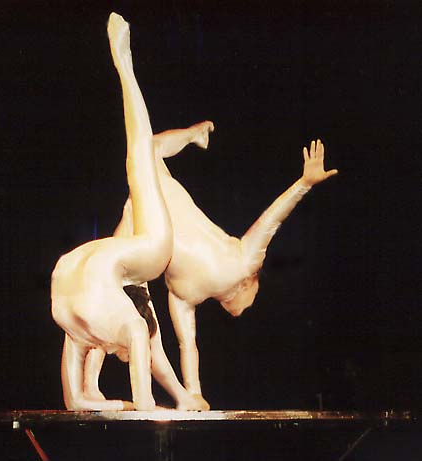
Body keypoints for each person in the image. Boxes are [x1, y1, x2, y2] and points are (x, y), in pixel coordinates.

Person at [113, 124, 338, 409]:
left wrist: (194, 393)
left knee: (147, 152)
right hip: (156, 192)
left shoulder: (184, 295)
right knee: (149, 148)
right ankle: (195, 133)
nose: (246, 310)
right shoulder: (244, 261)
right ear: (251, 281)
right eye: (255, 297)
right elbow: (272, 219)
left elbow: (187, 345)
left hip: (144, 213)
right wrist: (304, 184)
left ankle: (110, 337)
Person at [51, 13, 205, 411]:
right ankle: (125, 64)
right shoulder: (113, 318)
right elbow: (144, 342)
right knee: (141, 157)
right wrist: (143, 404)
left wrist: (122, 403)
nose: (124, 356)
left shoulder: (96, 318)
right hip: (70, 277)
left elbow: (75, 401)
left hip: (83, 271)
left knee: (141, 159)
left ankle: (126, 68)